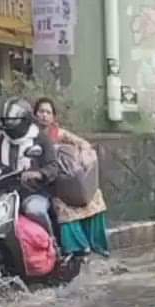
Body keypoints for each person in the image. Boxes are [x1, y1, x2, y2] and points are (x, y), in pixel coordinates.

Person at [33, 97, 110, 258]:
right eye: (41, 111)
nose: (44, 115)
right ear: (35, 114)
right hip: (52, 186)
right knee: (64, 209)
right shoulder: (31, 136)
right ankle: (78, 250)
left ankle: (98, 248)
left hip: (71, 180)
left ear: (53, 117)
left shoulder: (59, 134)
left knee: (94, 199)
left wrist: (82, 161)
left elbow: (83, 144)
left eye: (48, 112)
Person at [0, 97, 59, 236]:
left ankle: (51, 243)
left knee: (35, 211)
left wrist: (38, 174)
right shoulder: (2, 140)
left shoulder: (40, 139)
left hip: (33, 192)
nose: (11, 127)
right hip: (5, 192)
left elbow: (53, 166)